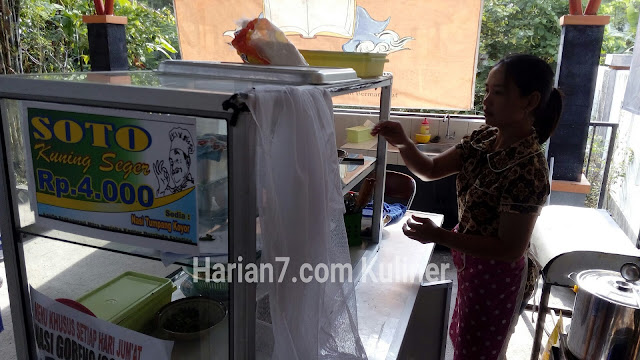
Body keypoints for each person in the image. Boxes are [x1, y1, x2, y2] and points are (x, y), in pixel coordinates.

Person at [372, 54, 562, 359]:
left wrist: (441, 236)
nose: (486, 100)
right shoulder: (485, 138)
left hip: (498, 278)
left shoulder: (529, 168)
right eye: (487, 90)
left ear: (530, 101)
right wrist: (405, 142)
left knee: (479, 352)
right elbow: (431, 169)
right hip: (471, 263)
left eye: (498, 92)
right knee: (463, 342)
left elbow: (509, 249)